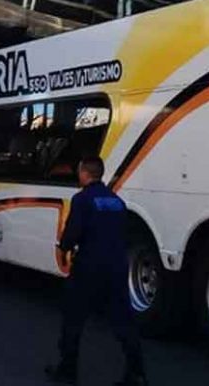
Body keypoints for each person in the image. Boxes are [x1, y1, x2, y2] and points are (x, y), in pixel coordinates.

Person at [46, 156, 148, 386]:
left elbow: (73, 233)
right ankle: (136, 373)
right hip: (117, 267)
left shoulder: (82, 200)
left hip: (89, 268)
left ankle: (68, 369)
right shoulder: (117, 201)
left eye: (79, 171)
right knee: (123, 321)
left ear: (84, 173)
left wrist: (63, 249)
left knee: (73, 319)